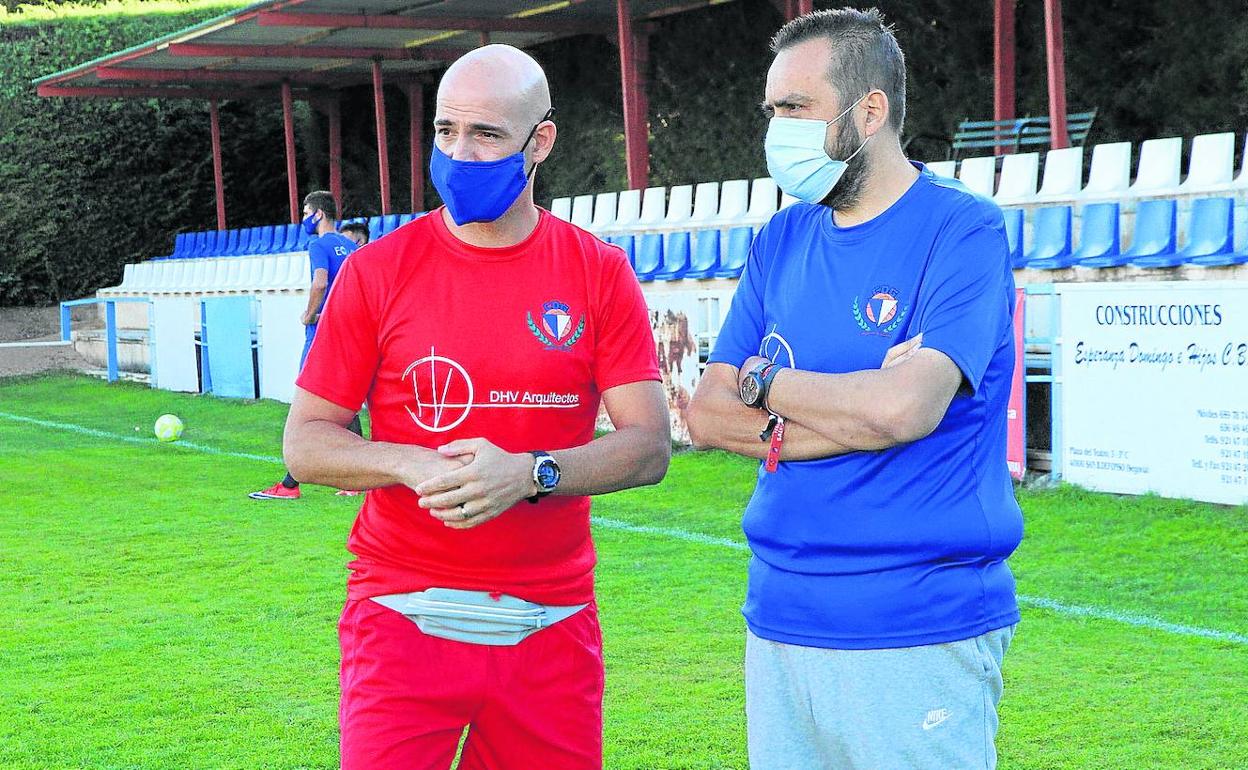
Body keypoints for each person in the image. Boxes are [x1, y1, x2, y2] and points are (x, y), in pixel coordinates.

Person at [282, 44, 670, 769]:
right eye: (445, 131)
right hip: (401, 619)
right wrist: (408, 462)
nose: (460, 152)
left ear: (540, 142)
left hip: (551, 626)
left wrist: (530, 475)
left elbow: (648, 446)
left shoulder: (597, 272)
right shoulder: (376, 271)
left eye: (487, 134)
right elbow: (305, 443)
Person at [686, 9, 1023, 770]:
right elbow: (705, 413)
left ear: (869, 111)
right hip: (777, 615)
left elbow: (908, 409)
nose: (777, 129)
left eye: (795, 109)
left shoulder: (962, 230)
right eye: (772, 111)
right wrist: (858, 407)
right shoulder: (781, 238)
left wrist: (766, 384)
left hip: (916, 622)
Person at [250, 191, 360, 501]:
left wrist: (309, 313)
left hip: (323, 333)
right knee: (345, 404)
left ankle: (289, 485)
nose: (303, 219)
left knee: (306, 404)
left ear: (319, 215)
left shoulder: (318, 245)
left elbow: (320, 282)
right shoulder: (351, 246)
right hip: (347, 331)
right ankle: (356, 480)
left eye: (305, 212)